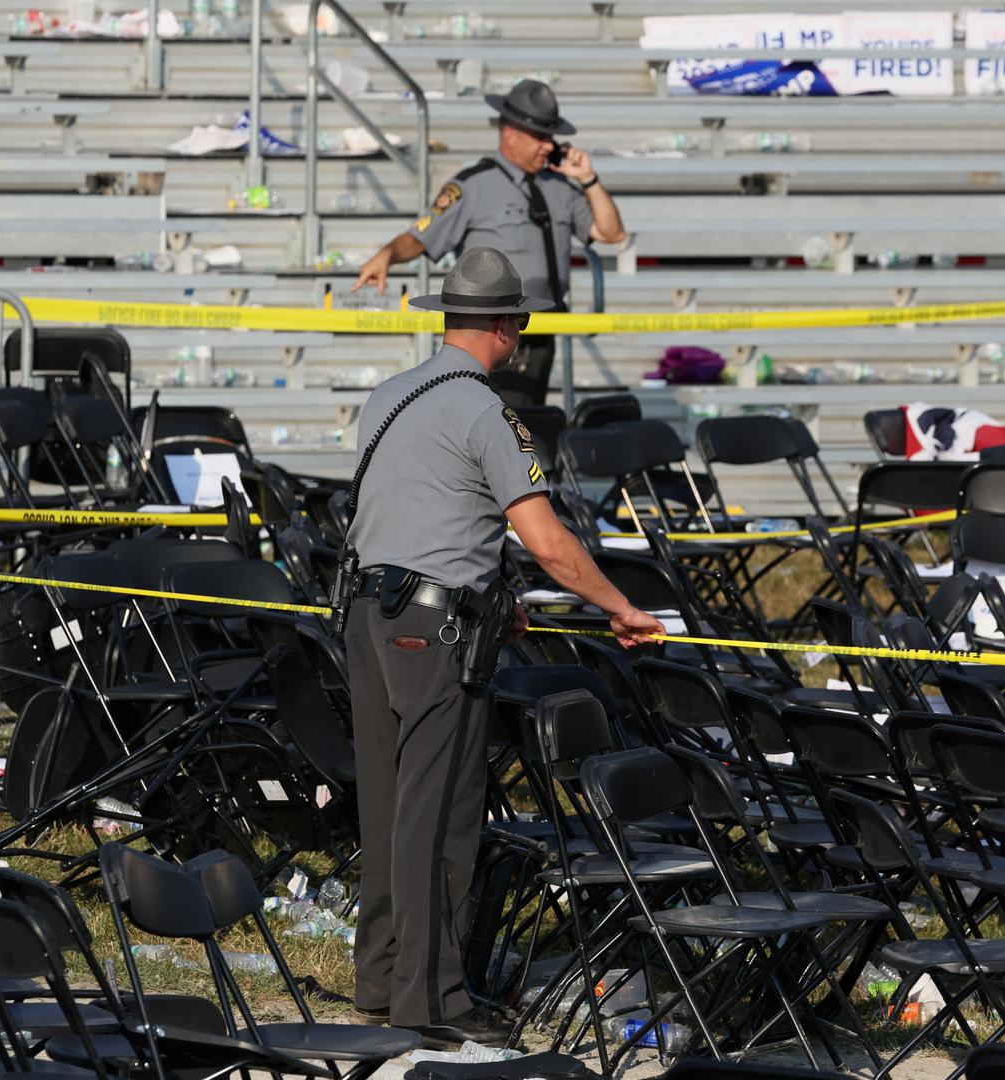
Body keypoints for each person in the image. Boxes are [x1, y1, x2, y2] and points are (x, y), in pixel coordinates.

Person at [342, 247, 664, 1047]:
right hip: (433, 631)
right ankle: (433, 999)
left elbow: (422, 514)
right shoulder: (487, 412)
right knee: (440, 810)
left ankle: (382, 979)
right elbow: (549, 543)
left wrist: (492, 596)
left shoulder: (388, 396)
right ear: (509, 327)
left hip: (367, 615)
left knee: (384, 804)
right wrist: (621, 605)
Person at [351, 79, 626, 407]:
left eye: (550, 136)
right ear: (510, 133)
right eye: (539, 136)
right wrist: (388, 254)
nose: (547, 145)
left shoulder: (560, 187)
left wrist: (588, 180)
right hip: (490, 332)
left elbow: (612, 234)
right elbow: (422, 235)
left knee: (526, 430)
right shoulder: (473, 185)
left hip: (541, 330)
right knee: (491, 428)